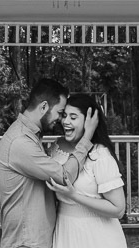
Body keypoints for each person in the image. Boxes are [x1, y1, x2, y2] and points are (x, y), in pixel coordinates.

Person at [0, 78, 99, 248]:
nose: (60, 120)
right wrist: (86, 138)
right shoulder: (21, 142)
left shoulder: (29, 135)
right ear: (43, 107)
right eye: (60, 112)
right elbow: (64, 177)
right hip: (26, 243)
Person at [45, 94, 127, 248]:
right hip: (65, 231)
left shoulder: (100, 155)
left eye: (73, 117)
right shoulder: (56, 148)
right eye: (64, 116)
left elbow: (118, 209)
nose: (65, 121)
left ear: (89, 122)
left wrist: (74, 196)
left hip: (98, 235)